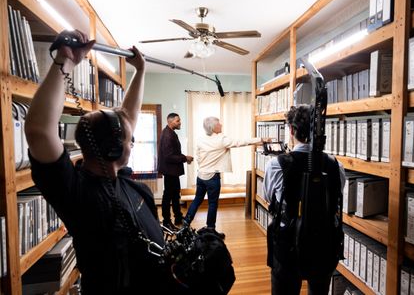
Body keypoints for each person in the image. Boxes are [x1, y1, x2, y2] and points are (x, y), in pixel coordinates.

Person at [25, 30, 179, 294]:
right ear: (112, 148)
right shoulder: (75, 191)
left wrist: (140, 71)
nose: (132, 143)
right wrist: (66, 61)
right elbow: (39, 130)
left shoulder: (125, 181)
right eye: (129, 139)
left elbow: (127, 117)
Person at [264, 105, 346, 295]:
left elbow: (269, 197)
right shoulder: (336, 165)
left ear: (291, 130)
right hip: (324, 243)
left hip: (287, 244)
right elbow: (336, 196)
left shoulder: (277, 164)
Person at [183, 116, 263, 239]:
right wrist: (260, 139)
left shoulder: (201, 139)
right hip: (212, 178)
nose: (221, 125)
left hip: (201, 175)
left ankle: (186, 223)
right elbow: (240, 142)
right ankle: (210, 229)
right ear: (214, 127)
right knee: (212, 203)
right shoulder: (221, 139)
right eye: (219, 123)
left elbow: (198, 157)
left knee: (197, 199)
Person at [158, 113, 193, 230]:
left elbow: (174, 153)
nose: (180, 123)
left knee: (175, 194)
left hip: (172, 171)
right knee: (168, 196)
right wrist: (185, 158)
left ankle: (178, 217)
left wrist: (184, 157)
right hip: (170, 171)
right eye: (178, 121)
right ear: (170, 121)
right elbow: (169, 156)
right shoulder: (168, 135)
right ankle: (166, 221)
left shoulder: (170, 133)